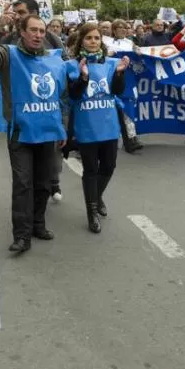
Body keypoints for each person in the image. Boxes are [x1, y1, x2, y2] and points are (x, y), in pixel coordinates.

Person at [0, 6, 73, 254]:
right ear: (21, 32)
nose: (38, 35)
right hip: (21, 132)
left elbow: (63, 97)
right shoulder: (8, 56)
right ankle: (21, 235)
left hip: (48, 132)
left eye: (42, 31)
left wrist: (63, 128)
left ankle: (38, 225)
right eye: (33, 30)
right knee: (23, 184)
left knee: (44, 183)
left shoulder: (55, 58)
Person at [66, 23, 129, 233]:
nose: (93, 42)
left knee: (109, 167)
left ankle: (97, 195)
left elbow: (118, 91)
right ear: (81, 41)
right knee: (91, 170)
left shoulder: (112, 63)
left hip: (109, 125)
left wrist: (120, 74)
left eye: (97, 38)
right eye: (89, 38)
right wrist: (83, 77)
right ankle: (91, 211)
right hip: (87, 126)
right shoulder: (72, 65)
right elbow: (73, 96)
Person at [104, 19, 144, 154]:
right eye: (119, 27)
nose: (122, 30)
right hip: (114, 79)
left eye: (124, 27)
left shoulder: (129, 43)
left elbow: (138, 52)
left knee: (129, 108)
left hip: (129, 80)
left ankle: (132, 138)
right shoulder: (107, 43)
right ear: (114, 30)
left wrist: (138, 51)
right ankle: (116, 139)